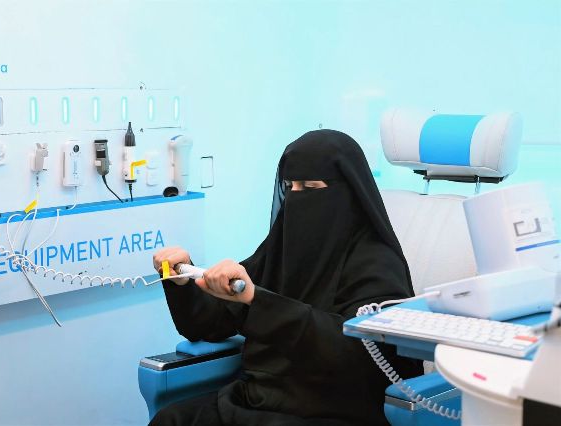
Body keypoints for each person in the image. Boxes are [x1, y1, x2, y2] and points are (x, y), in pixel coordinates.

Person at [151, 129, 422, 425]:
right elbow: (209, 322)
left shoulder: (375, 261)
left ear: (347, 191)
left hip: (333, 407)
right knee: (171, 420)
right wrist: (182, 281)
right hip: (259, 399)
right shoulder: (281, 247)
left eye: (309, 187)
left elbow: (355, 351)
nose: (295, 198)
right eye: (290, 186)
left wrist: (257, 301)